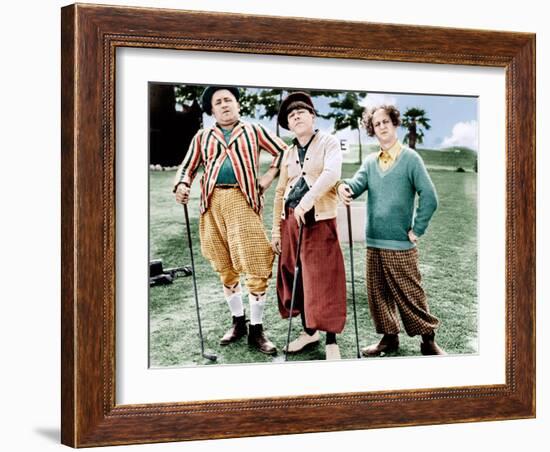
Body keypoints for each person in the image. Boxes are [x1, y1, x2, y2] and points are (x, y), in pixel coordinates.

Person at [174, 85, 287, 355]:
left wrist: (268, 177)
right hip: (211, 204)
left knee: (256, 262)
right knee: (224, 265)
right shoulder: (203, 136)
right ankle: (238, 323)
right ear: (211, 110)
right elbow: (188, 166)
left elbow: (284, 152)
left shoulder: (253, 130)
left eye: (229, 100)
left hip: (243, 201)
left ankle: (257, 329)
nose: (224, 105)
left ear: (238, 105)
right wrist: (182, 184)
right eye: (218, 102)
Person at [338, 104, 445, 356]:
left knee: (410, 293)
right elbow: (356, 184)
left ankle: (428, 340)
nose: (382, 126)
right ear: (372, 130)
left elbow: (429, 197)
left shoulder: (410, 159)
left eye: (386, 121)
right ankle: (389, 339)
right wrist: (343, 187)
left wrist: (417, 229)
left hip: (399, 243)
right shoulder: (369, 162)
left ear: (395, 124)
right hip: (374, 241)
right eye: (377, 124)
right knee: (378, 293)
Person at [271, 92, 347, 360]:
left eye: (301, 112)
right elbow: (280, 192)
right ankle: (308, 331)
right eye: (291, 116)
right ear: (289, 126)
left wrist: (306, 201)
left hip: (319, 218)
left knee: (323, 276)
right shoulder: (288, 152)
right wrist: (276, 231)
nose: (296, 116)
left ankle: (330, 340)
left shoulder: (329, 142)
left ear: (313, 116)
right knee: (296, 275)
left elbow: (332, 174)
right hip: (291, 219)